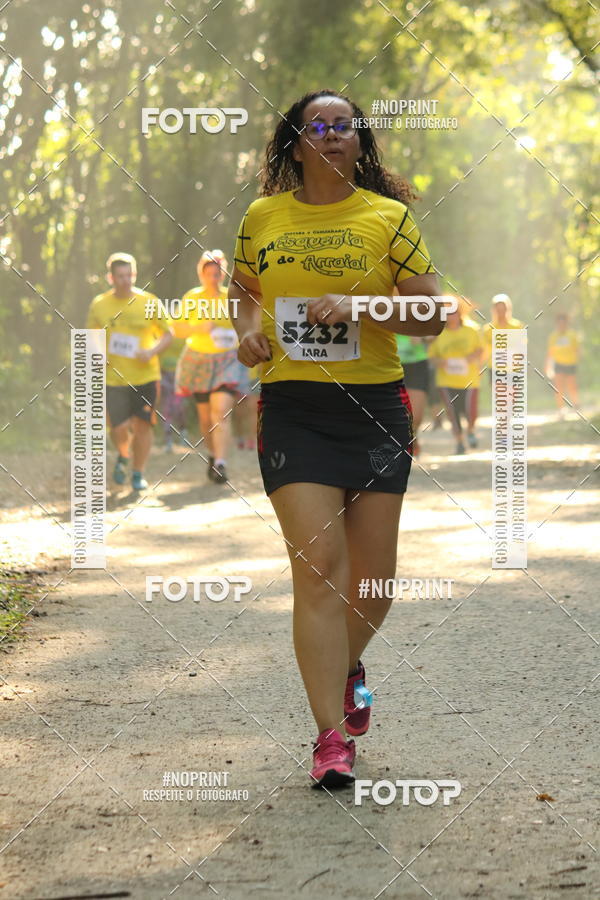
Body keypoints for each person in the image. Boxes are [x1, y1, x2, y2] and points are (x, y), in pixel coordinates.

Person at [229, 89, 444, 789]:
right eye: (315, 127)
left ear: (358, 142)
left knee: (373, 585)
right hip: (294, 408)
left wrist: (360, 303)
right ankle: (329, 738)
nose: (330, 135)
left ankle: (348, 666)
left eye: (343, 126)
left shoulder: (389, 219)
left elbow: (432, 315)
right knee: (319, 564)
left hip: (376, 407)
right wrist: (246, 330)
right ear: (295, 145)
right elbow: (243, 289)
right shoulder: (263, 217)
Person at [86, 252, 173, 491]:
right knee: (118, 428)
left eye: (129, 275)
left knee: (143, 426)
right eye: (120, 276)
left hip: (145, 376)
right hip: (113, 378)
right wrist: (97, 354)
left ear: (134, 275)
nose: (125, 280)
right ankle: (124, 455)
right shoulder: (99, 304)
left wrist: (152, 351)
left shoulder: (149, 302)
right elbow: (92, 337)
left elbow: (168, 334)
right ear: (111, 277)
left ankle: (138, 472)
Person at [172, 250, 242, 484]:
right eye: (209, 274)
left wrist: (236, 338)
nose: (214, 278)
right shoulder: (192, 298)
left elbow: (246, 325)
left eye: (218, 274)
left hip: (227, 360)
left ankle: (222, 463)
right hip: (199, 360)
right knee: (205, 418)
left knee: (220, 411)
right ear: (201, 274)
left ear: (223, 274)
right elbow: (177, 329)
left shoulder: (231, 297)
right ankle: (213, 455)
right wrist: (198, 328)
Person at [428, 299, 483, 455]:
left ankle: (471, 430)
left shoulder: (472, 330)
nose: (451, 316)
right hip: (446, 381)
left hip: (469, 380)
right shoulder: (438, 333)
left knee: (471, 412)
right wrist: (441, 362)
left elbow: (480, 350)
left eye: (454, 312)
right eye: (448, 313)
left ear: (460, 313)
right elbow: (432, 357)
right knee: (453, 412)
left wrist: (471, 358)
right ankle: (459, 442)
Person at [394, 334, 429, 456]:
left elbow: (436, 330)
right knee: (397, 410)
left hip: (416, 364)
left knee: (416, 415)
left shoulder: (419, 313)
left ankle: (413, 434)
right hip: (391, 363)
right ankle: (405, 442)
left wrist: (423, 338)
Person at [158, 312, 188, 451]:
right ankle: (168, 439)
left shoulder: (184, 334)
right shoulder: (162, 332)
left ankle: (182, 434)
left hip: (180, 375)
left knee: (179, 407)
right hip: (164, 374)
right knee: (167, 407)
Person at [482, 293, 523, 383]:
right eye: (498, 309)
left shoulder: (517, 326)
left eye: (503, 308)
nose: (501, 311)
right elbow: (484, 351)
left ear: (508, 309)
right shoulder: (488, 329)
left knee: (512, 396)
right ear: (493, 310)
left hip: (513, 368)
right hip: (495, 368)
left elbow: (522, 346)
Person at [546, 312, 579, 418]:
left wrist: (576, 358)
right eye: (559, 323)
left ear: (566, 323)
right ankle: (561, 409)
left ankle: (576, 404)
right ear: (557, 324)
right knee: (559, 387)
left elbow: (577, 349)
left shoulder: (572, 335)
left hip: (570, 363)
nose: (561, 325)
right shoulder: (553, 336)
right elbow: (550, 353)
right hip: (559, 364)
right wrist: (548, 366)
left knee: (572, 386)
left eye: (563, 323)